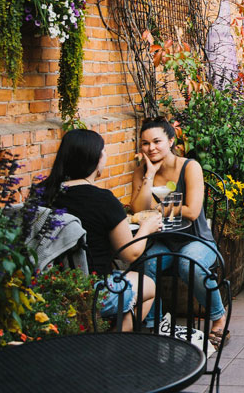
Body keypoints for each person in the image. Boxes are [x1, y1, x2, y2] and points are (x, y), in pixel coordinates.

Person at [41, 130, 157, 331]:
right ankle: (111, 343)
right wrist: (147, 227)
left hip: (50, 290)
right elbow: (131, 253)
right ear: (94, 159)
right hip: (94, 292)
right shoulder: (103, 200)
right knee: (149, 286)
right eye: (103, 151)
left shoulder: (42, 193)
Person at [130, 118, 228, 344]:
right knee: (146, 263)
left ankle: (218, 317)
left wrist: (155, 208)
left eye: (157, 141)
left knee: (188, 263)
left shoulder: (189, 166)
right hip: (161, 240)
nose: (151, 148)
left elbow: (192, 211)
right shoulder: (142, 171)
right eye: (145, 144)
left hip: (195, 239)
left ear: (171, 140)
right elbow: (137, 208)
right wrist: (150, 175)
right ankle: (156, 323)